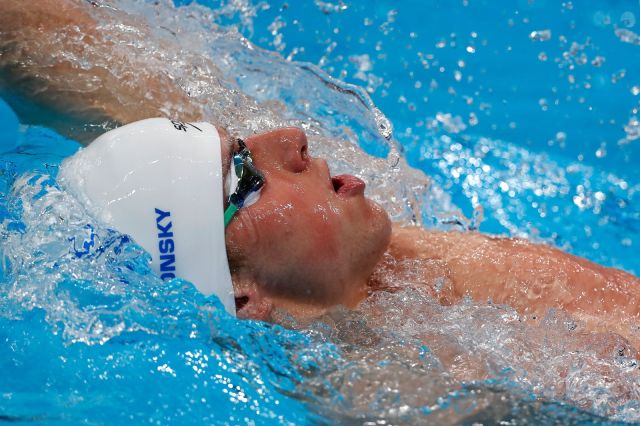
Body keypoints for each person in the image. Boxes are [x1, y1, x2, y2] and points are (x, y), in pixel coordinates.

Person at [2, 1, 639, 349]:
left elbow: (50, 48)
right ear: (244, 297)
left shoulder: (347, 257)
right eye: (245, 176)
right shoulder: (425, 388)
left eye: (241, 143)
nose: (290, 138)